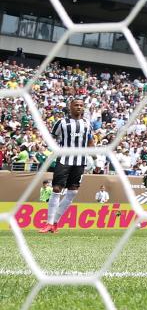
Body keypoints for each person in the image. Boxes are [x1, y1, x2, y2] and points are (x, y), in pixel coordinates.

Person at [41, 95, 95, 233]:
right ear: (70, 107)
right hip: (64, 159)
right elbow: (51, 138)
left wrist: (95, 155)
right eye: (76, 105)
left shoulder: (87, 124)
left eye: (81, 105)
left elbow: (89, 140)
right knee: (56, 189)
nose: (79, 107)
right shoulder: (61, 122)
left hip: (80, 161)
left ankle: (55, 223)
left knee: (73, 192)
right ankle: (48, 223)